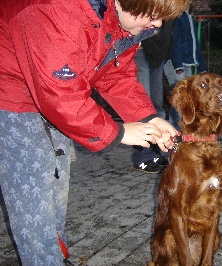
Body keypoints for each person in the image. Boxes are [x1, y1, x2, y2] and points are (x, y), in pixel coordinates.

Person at [0, 0, 187, 265]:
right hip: (10, 90)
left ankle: (53, 255)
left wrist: (149, 118)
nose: (157, 24)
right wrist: (119, 132)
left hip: (50, 90)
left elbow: (115, 76)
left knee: (55, 181)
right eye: (154, 14)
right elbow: (60, 95)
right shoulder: (62, 9)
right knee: (33, 194)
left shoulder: (118, 20)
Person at [131, 19, 176, 173]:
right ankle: (143, 157)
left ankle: (158, 151)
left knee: (157, 106)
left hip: (157, 56)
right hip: (139, 51)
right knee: (143, 107)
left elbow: (169, 31)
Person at [164, 0, 207, 129]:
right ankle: (176, 128)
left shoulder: (189, 17)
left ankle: (182, 127)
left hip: (187, 62)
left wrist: (201, 66)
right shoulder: (177, 16)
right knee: (180, 95)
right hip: (175, 62)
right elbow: (173, 41)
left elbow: (195, 45)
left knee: (187, 95)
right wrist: (178, 65)